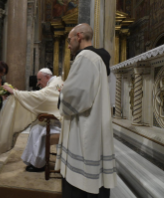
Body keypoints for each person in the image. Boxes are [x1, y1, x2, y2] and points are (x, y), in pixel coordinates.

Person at [56, 23, 116, 198]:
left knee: (80, 183)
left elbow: (76, 96)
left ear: (79, 36)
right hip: (94, 121)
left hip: (83, 126)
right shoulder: (97, 58)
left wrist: (62, 94)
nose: (68, 45)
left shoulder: (85, 58)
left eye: (69, 40)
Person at [0, 68, 63, 172]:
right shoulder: (56, 82)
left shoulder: (54, 85)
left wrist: (15, 93)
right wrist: (18, 93)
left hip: (58, 123)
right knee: (36, 127)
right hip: (56, 120)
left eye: (40, 79)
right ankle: (33, 160)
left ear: (47, 77)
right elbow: (40, 97)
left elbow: (41, 97)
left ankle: (38, 164)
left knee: (38, 130)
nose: (38, 83)